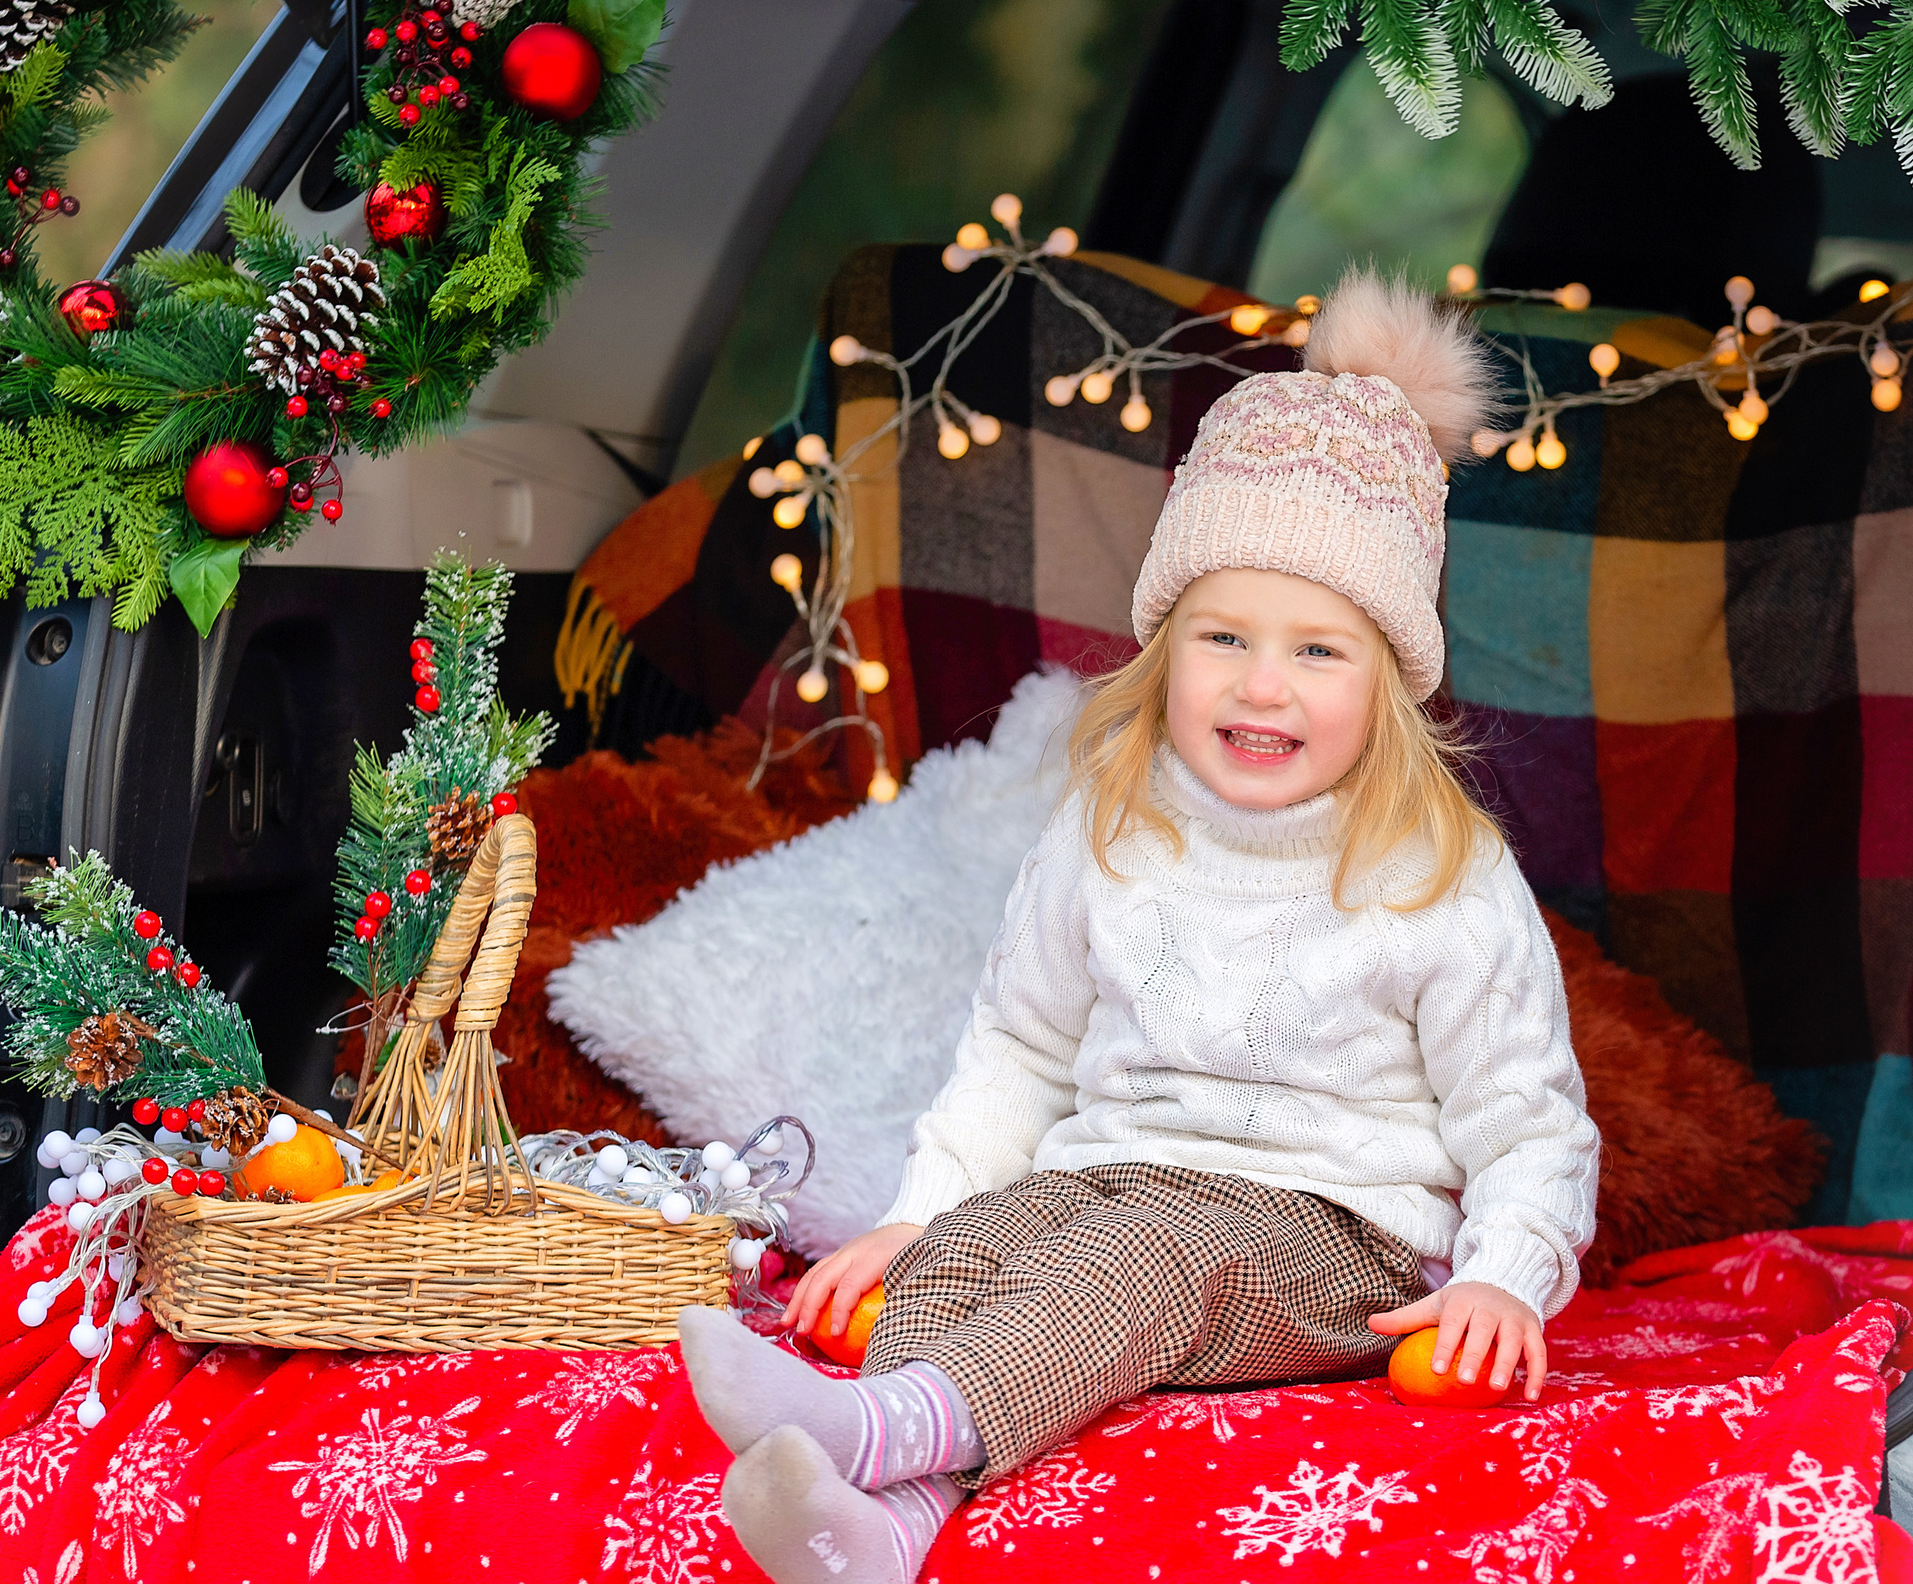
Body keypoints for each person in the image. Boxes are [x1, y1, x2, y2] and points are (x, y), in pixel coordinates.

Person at [677, 270, 1600, 1584]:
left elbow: (1525, 1117)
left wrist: (1503, 1276)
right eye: (1224, 636)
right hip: (1110, 1177)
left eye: (1319, 652)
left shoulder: (1438, 870)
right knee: (972, 1254)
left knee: (1139, 1256)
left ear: (1391, 678)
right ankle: (889, 1521)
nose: (1262, 684)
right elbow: (1022, 1048)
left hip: (1331, 1232)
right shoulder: (1109, 827)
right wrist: (920, 1212)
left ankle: (886, 1425)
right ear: (1165, 653)